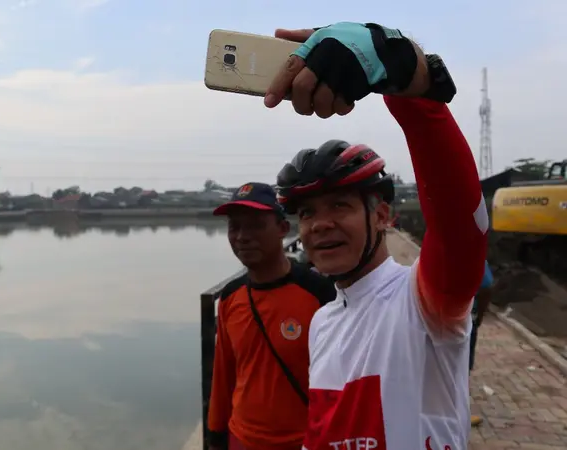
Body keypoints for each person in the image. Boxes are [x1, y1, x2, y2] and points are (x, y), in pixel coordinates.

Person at [266, 22, 488, 449]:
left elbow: (464, 227)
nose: (319, 224)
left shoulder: (425, 302)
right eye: (307, 212)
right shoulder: (322, 322)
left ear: (383, 215)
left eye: (340, 206)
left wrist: (406, 76)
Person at [206, 182, 336, 450]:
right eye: (235, 226)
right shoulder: (230, 298)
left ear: (282, 229)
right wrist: (216, 434)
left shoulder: (320, 294)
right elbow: (223, 376)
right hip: (241, 438)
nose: (242, 236)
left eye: (255, 225)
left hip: (305, 441)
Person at [470, 260, 495, 427]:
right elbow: (486, 286)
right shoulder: (473, 255)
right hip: (463, 319)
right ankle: (457, 411)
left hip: (436, 318)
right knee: (460, 367)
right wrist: (479, 316)